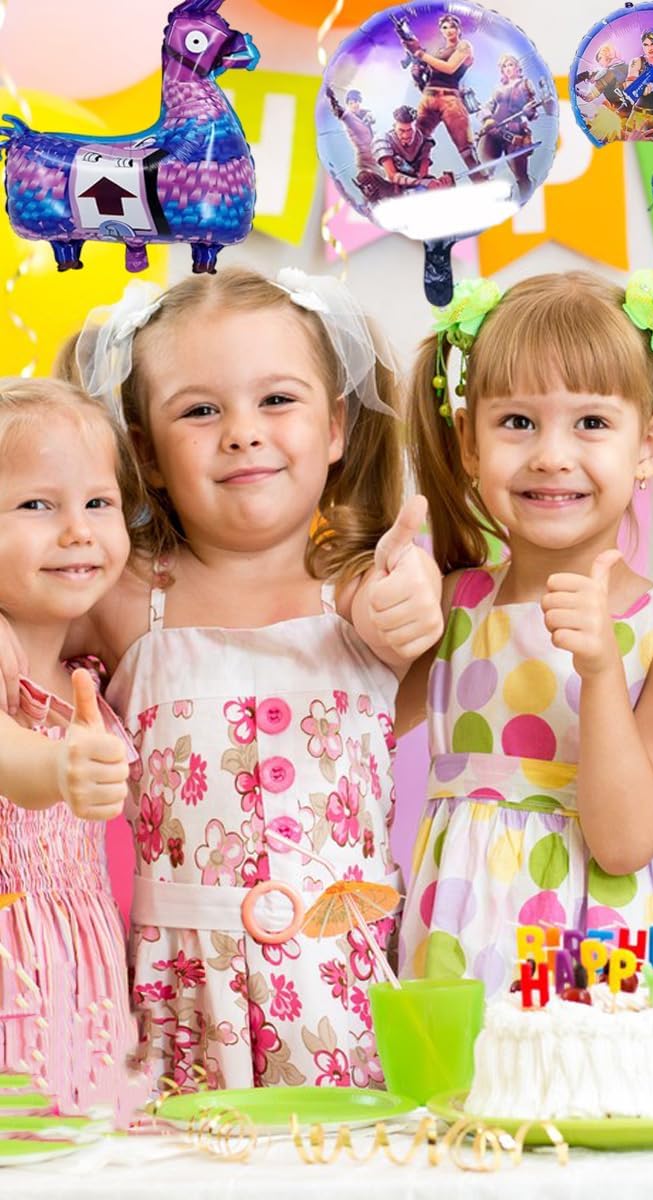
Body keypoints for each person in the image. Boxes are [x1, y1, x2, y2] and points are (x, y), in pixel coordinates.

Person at [33, 268, 443, 1091]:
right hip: (177, 998)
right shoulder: (123, 600)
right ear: (145, 452)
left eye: (277, 400)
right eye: (200, 411)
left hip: (346, 993)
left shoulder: (361, 592)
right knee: (184, 1156)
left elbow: (415, 616)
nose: (243, 434)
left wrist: (410, 605)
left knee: (343, 1155)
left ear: (335, 427)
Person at [388, 270, 653, 992]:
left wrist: (599, 671)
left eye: (591, 423)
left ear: (647, 447)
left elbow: (624, 844)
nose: (551, 455)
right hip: (460, 959)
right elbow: (349, 727)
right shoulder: (451, 608)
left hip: (608, 977)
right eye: (517, 422)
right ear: (468, 442)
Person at [0, 378, 141, 1077]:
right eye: (36, 505)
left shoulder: (89, 669)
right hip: (14, 983)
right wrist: (55, 769)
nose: (78, 530)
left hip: (87, 990)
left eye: (98, 503)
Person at [399, 12, 483, 173]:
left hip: (449, 99)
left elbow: (450, 68)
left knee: (466, 151)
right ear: (441, 31)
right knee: (417, 145)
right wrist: (418, 75)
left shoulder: (464, 46)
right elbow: (427, 80)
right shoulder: (438, 52)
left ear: (458, 29)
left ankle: (481, 181)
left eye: (452, 26)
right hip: (428, 98)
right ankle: (416, 180)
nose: (449, 30)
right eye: (445, 27)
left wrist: (421, 54)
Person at [478, 55, 543, 204]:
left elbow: (533, 114)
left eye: (510, 65)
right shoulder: (498, 88)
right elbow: (489, 106)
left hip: (514, 135)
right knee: (484, 172)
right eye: (504, 66)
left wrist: (529, 111)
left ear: (517, 67)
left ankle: (526, 203)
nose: (507, 69)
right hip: (493, 132)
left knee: (521, 177)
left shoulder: (525, 84)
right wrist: (487, 119)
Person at [325, 87, 384, 203]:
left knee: (384, 182)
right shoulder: (348, 117)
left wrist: (370, 117)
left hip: (374, 154)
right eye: (351, 103)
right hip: (364, 157)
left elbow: (371, 118)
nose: (354, 105)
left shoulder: (364, 114)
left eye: (356, 102)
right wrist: (331, 97)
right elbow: (339, 111)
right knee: (371, 188)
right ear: (348, 104)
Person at [374, 105, 452, 193]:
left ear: (415, 127)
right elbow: (391, 175)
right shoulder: (384, 140)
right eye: (401, 130)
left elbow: (423, 174)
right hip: (393, 188)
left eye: (410, 130)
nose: (406, 135)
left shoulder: (425, 141)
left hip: (417, 188)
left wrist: (428, 183)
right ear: (395, 126)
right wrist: (423, 182)